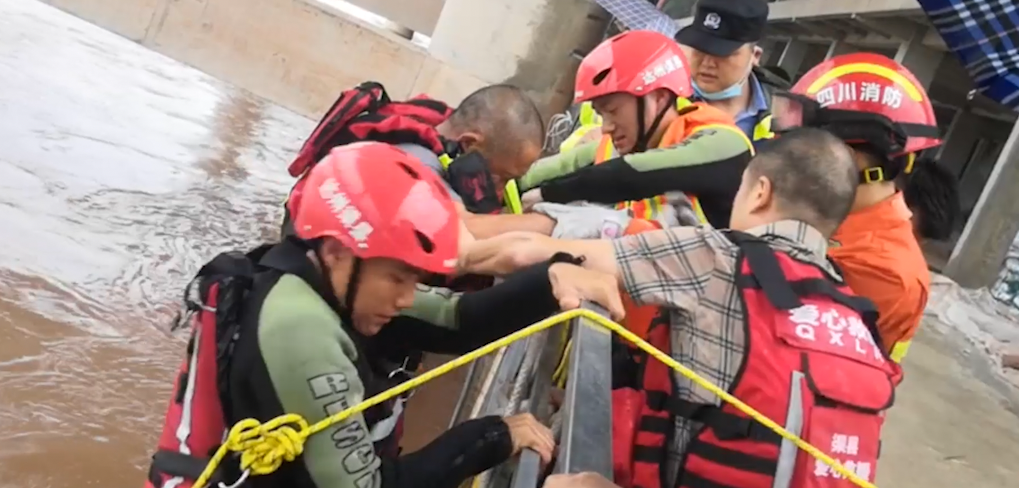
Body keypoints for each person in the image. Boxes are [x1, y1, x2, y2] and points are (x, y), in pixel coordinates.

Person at [146, 142, 625, 488]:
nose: (405, 299)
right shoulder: (300, 329)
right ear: (337, 251)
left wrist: (553, 279)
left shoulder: (326, 283)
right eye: (398, 279)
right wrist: (494, 437)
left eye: (415, 281)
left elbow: (459, 320)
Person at [462, 128, 901, 488]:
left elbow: (529, 252)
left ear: (760, 193)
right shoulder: (858, 320)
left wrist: (456, 254)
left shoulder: (717, 256)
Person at [774, 53, 944, 363]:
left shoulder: (884, 271)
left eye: (802, 148)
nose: (788, 158)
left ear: (852, 161)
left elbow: (777, 339)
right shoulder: (830, 213)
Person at [518, 30, 754, 230]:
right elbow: (558, 167)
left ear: (659, 98)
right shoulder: (622, 144)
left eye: (613, 111)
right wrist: (501, 176)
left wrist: (549, 193)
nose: (606, 128)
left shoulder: (725, 144)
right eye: (601, 115)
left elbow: (632, 174)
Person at [283, 82, 546, 239]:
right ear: (468, 143)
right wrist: (552, 225)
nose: (499, 190)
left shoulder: (445, 133)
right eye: (500, 178)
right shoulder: (412, 163)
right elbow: (464, 231)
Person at [674, 0, 777, 142]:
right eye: (700, 50)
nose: (707, 63)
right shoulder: (662, 103)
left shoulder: (787, 116)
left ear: (755, 56)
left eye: (722, 53)